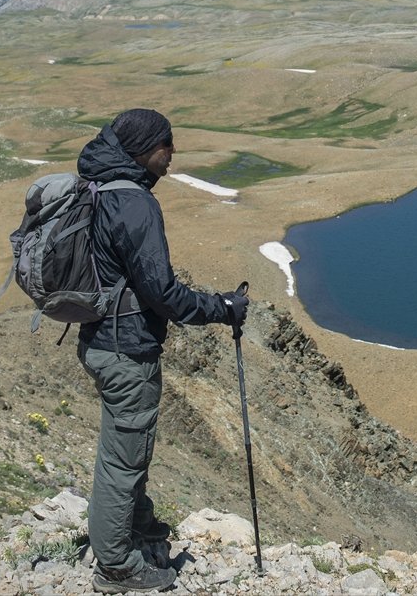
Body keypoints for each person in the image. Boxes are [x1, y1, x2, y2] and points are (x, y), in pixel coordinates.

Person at [76, 108, 248, 594]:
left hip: (99, 339)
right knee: (124, 457)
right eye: (167, 145)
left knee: (125, 449)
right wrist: (223, 308)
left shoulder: (98, 187)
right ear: (146, 148)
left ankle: (138, 529)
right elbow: (163, 294)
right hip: (126, 348)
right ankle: (116, 566)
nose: (173, 155)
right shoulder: (135, 204)